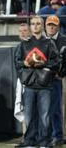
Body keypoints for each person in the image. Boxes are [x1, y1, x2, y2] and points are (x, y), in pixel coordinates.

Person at [15, 16, 59, 147]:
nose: (35, 26)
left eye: (38, 23)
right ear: (31, 26)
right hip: (29, 84)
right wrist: (25, 62)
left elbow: (56, 63)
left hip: (45, 85)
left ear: (42, 25)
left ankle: (44, 141)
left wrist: (42, 63)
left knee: (44, 116)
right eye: (33, 24)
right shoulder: (24, 44)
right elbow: (17, 62)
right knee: (28, 116)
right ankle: (29, 141)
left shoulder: (49, 43)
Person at [44, 15, 66, 146]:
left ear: (58, 26)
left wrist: (62, 73)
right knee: (44, 109)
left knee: (56, 108)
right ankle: (46, 134)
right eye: (49, 25)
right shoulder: (41, 40)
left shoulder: (64, 40)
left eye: (54, 25)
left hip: (57, 78)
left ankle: (57, 135)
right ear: (45, 26)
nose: (51, 27)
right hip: (41, 79)